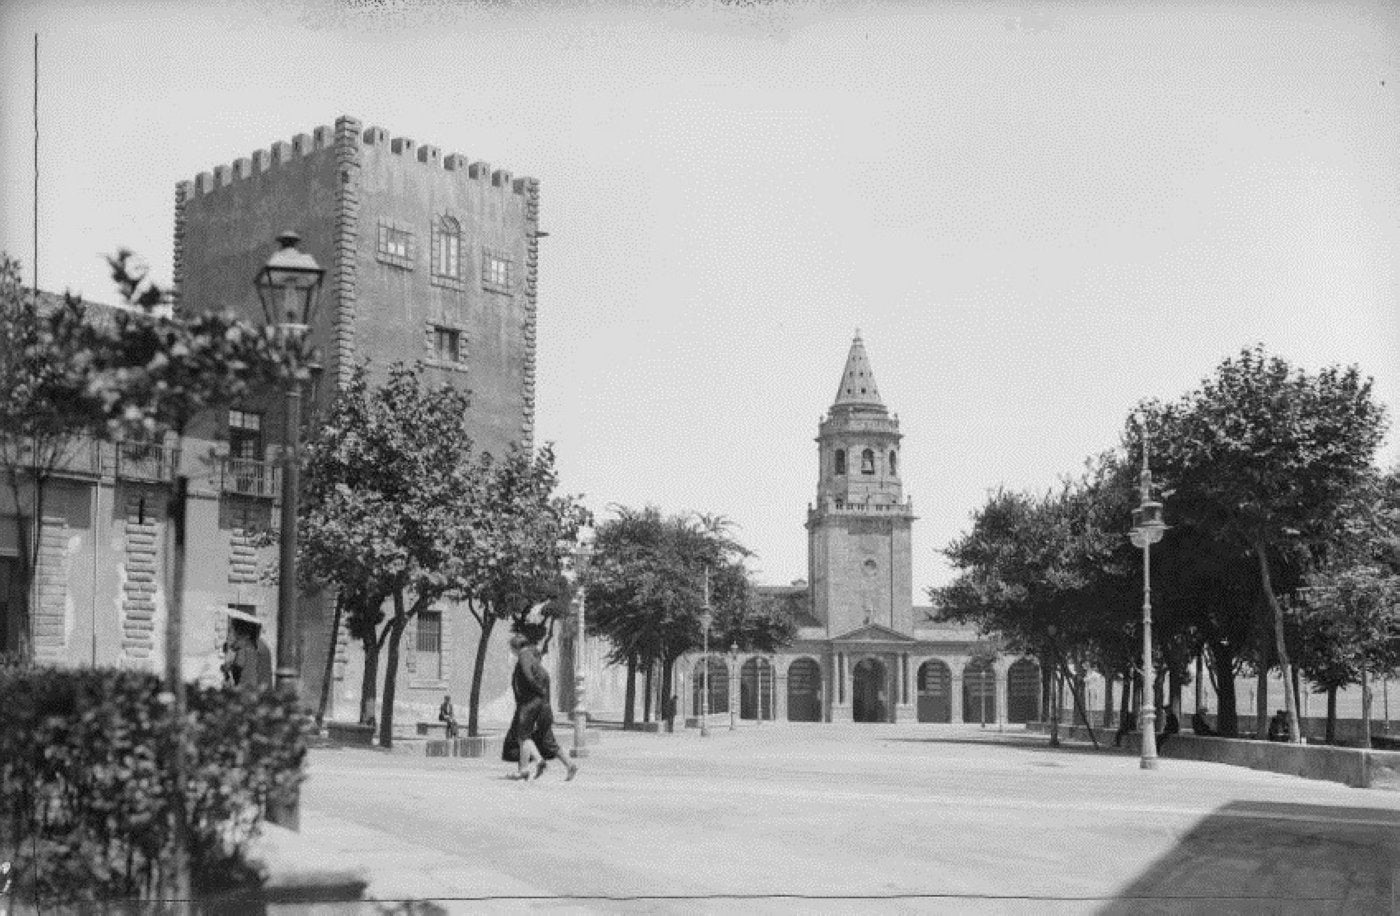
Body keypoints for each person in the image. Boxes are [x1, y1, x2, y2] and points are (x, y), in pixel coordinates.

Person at [502, 631, 578, 782]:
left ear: (515, 647)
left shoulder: (524, 658)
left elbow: (528, 677)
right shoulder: (537, 664)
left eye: (511, 648)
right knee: (547, 741)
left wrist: (537, 690)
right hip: (543, 706)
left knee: (523, 735)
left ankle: (529, 766)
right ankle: (569, 765)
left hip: (531, 705)